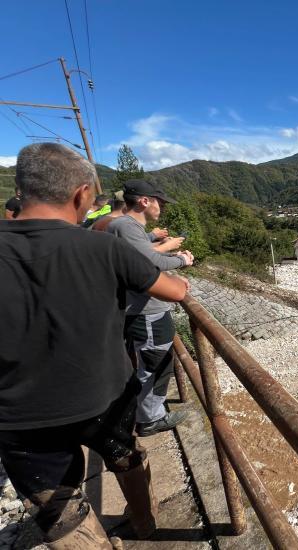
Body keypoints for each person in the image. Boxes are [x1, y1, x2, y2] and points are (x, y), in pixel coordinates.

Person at [0, 142, 189, 547]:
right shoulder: (104, 247)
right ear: (82, 193)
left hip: (18, 416)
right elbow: (173, 291)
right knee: (126, 458)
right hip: (104, 397)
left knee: (62, 513)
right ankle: (144, 523)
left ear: (21, 188)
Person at [106, 179, 194, 437]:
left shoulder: (122, 226)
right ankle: (150, 419)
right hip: (147, 312)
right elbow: (149, 262)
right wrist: (182, 261)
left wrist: (170, 265)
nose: (162, 208)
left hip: (139, 309)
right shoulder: (125, 225)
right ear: (145, 201)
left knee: (151, 362)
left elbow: (144, 257)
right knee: (155, 364)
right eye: (161, 202)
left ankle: (146, 413)